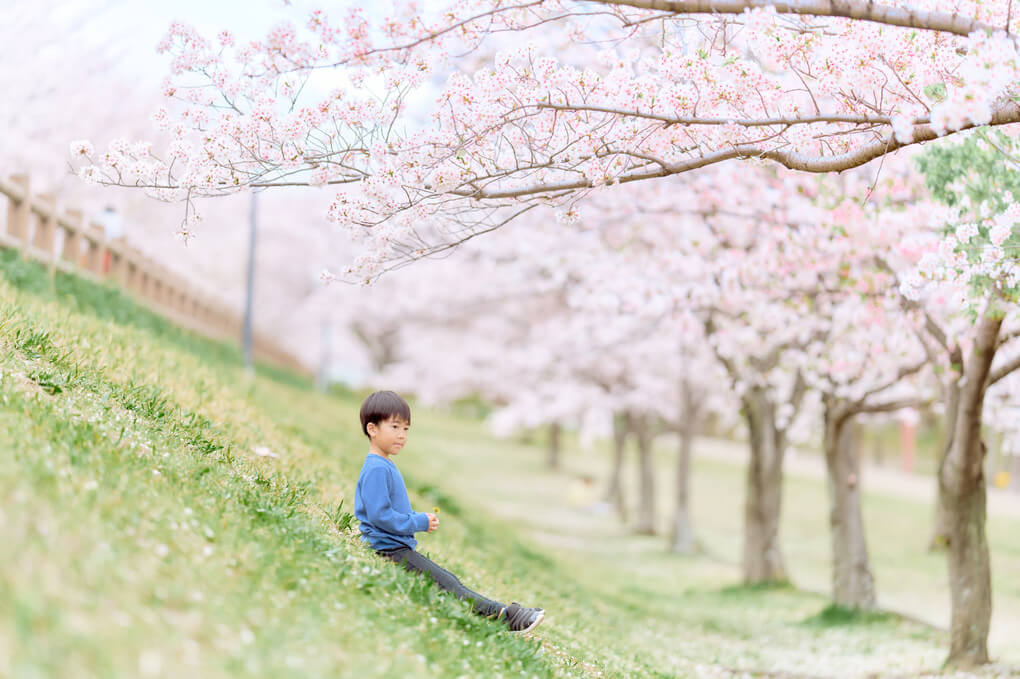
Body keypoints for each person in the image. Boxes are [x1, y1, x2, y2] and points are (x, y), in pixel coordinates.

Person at [353, 390, 545, 633]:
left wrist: (417, 518)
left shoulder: (384, 465)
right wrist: (418, 522)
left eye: (406, 429)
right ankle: (506, 617)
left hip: (395, 546)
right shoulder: (377, 469)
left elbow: (390, 510)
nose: (402, 435)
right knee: (448, 584)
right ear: (372, 429)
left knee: (447, 580)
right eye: (395, 427)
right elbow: (380, 516)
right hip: (388, 549)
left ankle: (505, 614)